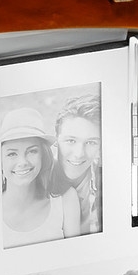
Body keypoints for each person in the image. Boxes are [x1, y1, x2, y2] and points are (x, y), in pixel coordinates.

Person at [1, 106, 81, 249]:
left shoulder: (66, 200)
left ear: (43, 155)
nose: (22, 162)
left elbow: (77, 254)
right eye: (12, 154)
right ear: (0, 160)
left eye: (32, 151)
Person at [50, 93, 103, 235]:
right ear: (56, 139)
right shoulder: (36, 180)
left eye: (91, 142)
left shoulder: (105, 182)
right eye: (71, 141)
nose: (79, 154)